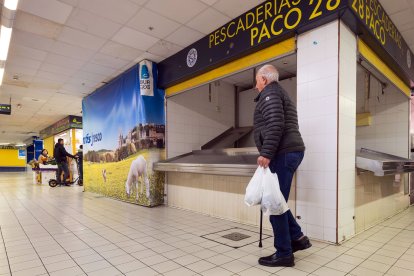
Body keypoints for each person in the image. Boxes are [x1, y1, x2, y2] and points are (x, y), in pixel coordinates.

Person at [253, 64, 311, 267]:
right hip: (288, 152)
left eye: (257, 80)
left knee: (274, 204)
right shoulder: (276, 93)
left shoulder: (270, 94)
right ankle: (297, 238)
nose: (255, 85)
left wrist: (267, 153)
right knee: (278, 201)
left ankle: (284, 253)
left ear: (265, 80)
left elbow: (275, 124)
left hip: (282, 154)